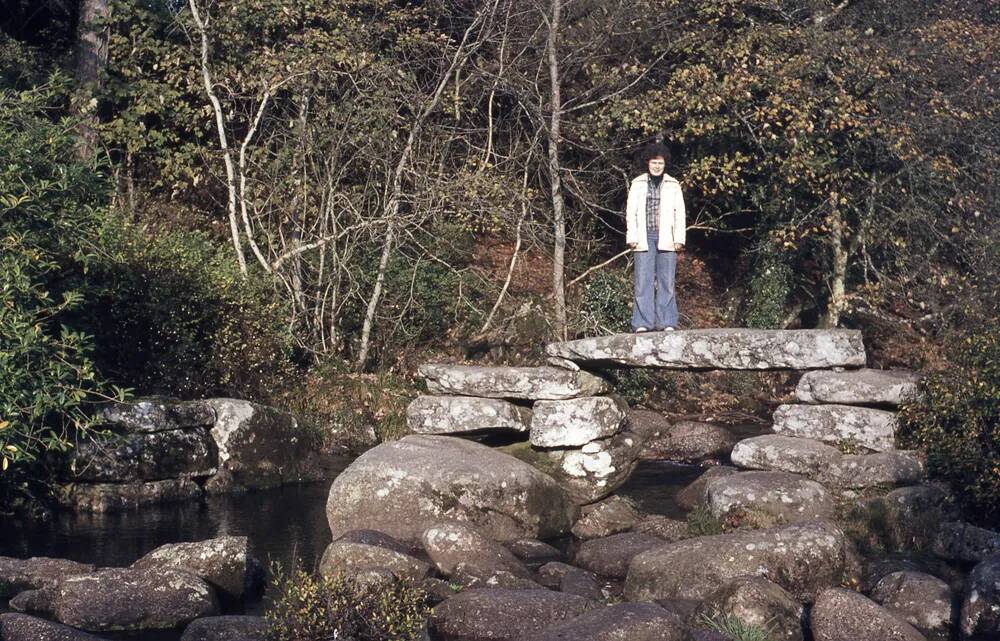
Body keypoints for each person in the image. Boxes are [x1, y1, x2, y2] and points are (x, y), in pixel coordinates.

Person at [624, 143, 686, 332]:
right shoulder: (637, 183)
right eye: (654, 162)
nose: (657, 166)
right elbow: (631, 212)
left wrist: (679, 239)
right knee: (643, 281)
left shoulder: (673, 185)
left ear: (664, 163)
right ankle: (642, 323)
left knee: (667, 281)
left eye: (660, 162)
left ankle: (666, 322)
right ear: (647, 163)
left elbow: (679, 213)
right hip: (644, 237)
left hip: (666, 237)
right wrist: (631, 236)